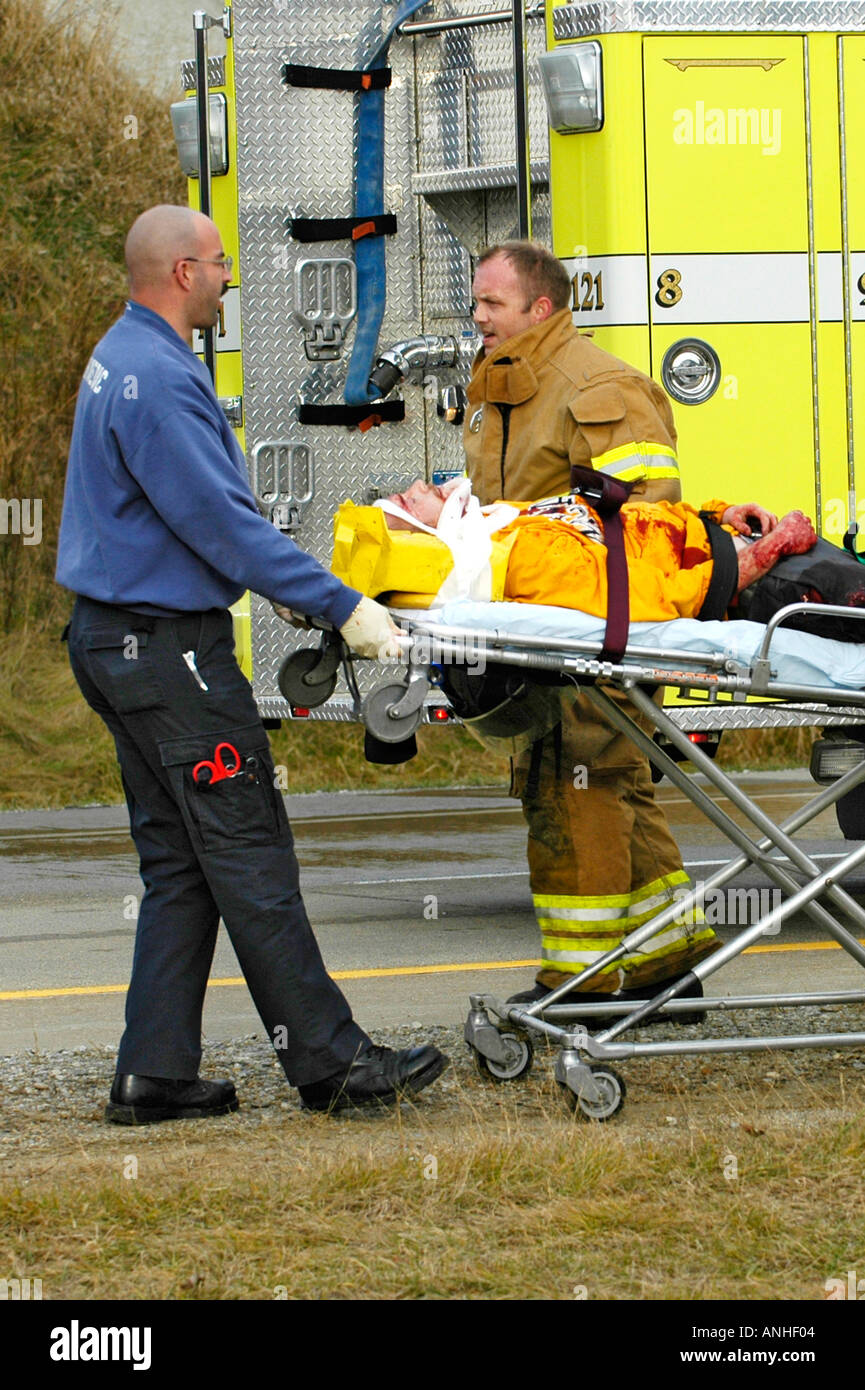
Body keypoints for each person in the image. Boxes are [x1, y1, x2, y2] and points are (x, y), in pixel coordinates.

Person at [55, 204, 447, 1123]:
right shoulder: (159, 376)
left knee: (183, 861)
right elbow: (220, 521)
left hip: (116, 639)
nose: (230, 277)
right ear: (183, 272)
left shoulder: (126, 353)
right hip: (168, 655)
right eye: (221, 264)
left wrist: (267, 580)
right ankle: (330, 1061)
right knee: (248, 847)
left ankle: (152, 1073)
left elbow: (179, 518)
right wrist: (343, 607)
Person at [461, 240, 781, 1006]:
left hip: (592, 630)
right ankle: (665, 963)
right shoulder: (502, 385)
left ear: (541, 308)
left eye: (491, 305)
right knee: (615, 779)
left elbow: (644, 520)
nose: (477, 318)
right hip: (536, 630)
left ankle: (588, 978)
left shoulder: (597, 387)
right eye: (475, 303)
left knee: (578, 785)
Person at [370, 478, 816, 618]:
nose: (420, 485)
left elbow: (619, 522)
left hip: (724, 543)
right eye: (412, 498)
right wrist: (769, 551)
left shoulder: (500, 523)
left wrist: (718, 513)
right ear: (429, 531)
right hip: (752, 581)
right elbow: (659, 598)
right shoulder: (529, 559)